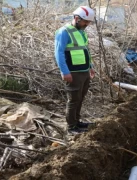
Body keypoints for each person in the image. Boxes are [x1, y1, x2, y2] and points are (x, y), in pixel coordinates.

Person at [55, 6, 95, 135]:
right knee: (73, 100)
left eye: (88, 22)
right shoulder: (64, 32)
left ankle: (77, 122)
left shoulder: (81, 31)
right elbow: (59, 53)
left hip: (84, 70)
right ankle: (71, 127)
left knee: (80, 98)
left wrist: (91, 66)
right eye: (85, 21)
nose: (87, 24)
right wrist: (64, 71)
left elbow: (85, 50)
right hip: (73, 72)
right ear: (77, 18)